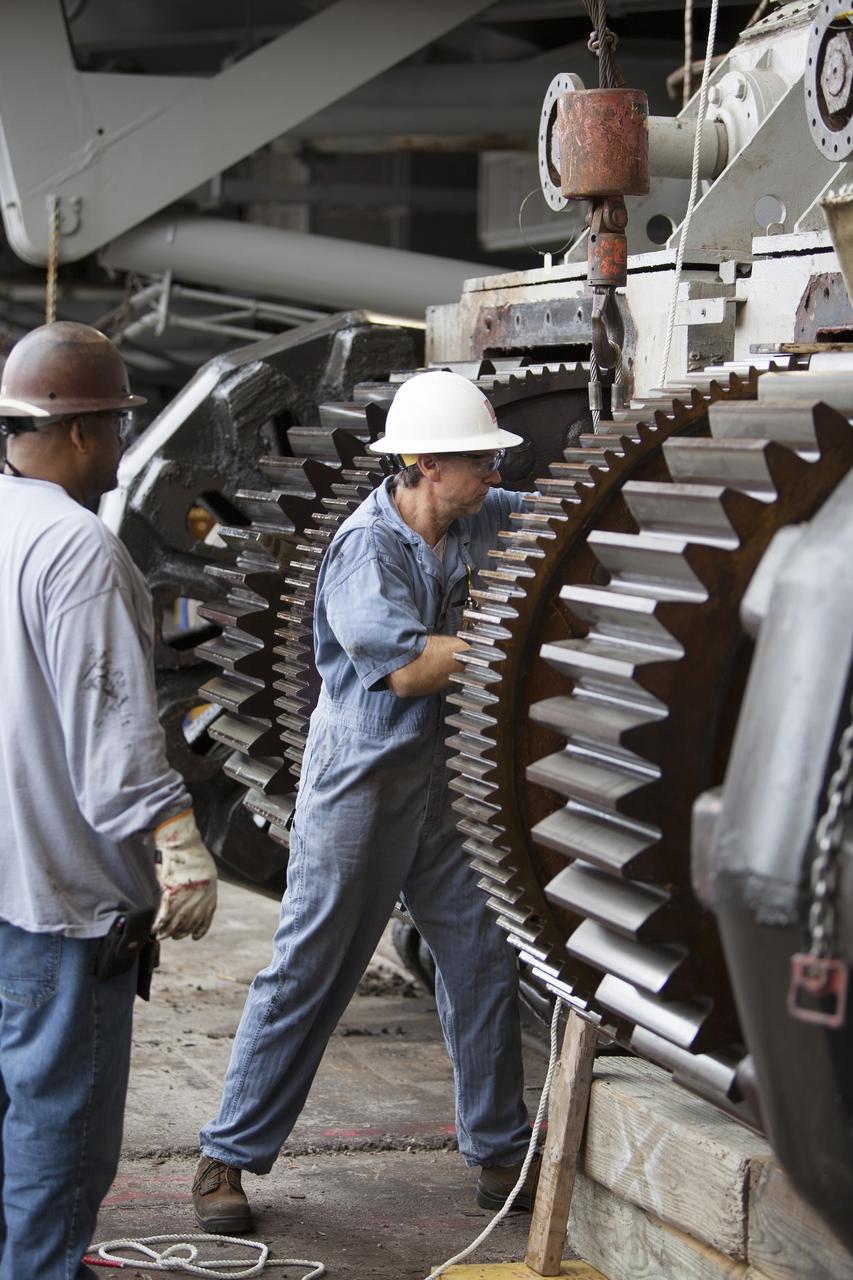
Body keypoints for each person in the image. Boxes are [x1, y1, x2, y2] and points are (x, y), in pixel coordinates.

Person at [192, 369, 539, 1235]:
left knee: (481, 960)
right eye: (477, 461)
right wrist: (510, 630)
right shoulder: (366, 547)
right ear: (424, 464)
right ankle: (225, 1157)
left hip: (443, 787)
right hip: (361, 787)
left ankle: (497, 1151)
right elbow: (408, 669)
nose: (493, 475)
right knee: (312, 968)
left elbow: (566, 527)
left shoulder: (484, 516)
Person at [0, 321, 219, 1280]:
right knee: (62, 1120)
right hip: (63, 899)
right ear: (84, 432)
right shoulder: (77, 550)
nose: (124, 447)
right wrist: (180, 842)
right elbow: (114, 742)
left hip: (4, 878)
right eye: (122, 425)